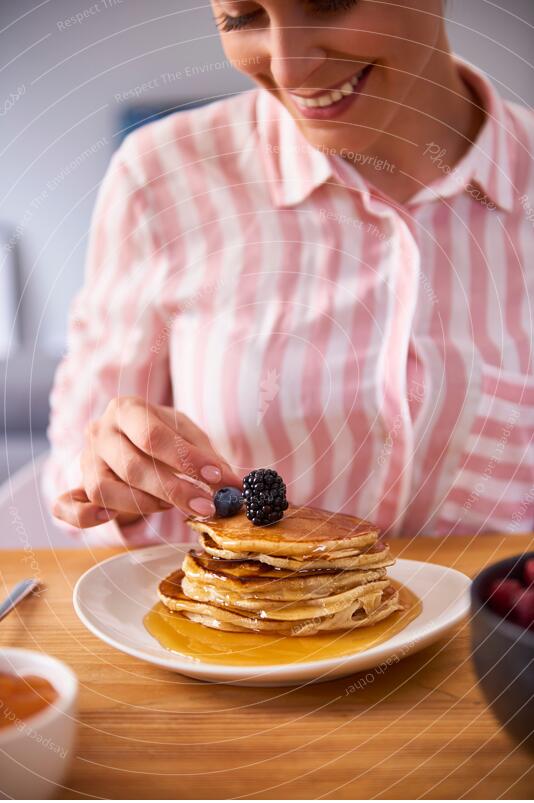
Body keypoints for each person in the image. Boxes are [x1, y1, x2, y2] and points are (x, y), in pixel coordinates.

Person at [43, 0, 534, 547]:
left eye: (330, 2)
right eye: (242, 18)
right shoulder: (159, 177)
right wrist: (119, 477)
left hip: (495, 630)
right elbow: (76, 468)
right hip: (230, 627)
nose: (287, 69)